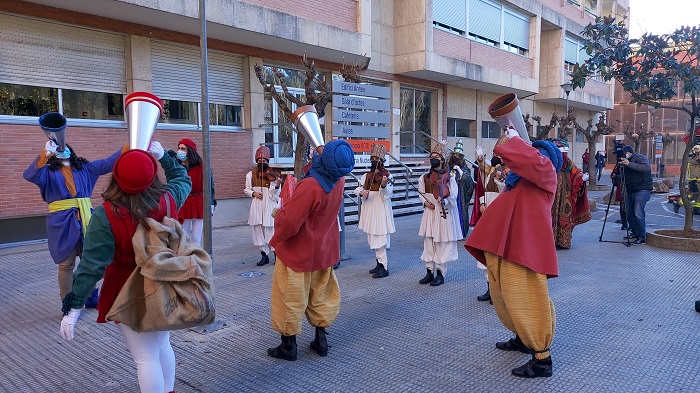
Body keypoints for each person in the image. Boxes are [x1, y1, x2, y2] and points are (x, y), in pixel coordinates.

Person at [59, 141, 192, 393]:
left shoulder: (105, 214)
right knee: (162, 345)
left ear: (116, 176)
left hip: (127, 290)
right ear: (152, 174)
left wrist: (74, 306)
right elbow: (181, 177)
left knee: (145, 358)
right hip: (165, 282)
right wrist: (164, 156)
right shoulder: (168, 198)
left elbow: (91, 265)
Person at [465, 127, 563, 378]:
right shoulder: (517, 182)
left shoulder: (546, 173)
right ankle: (522, 337)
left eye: (537, 155)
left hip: (525, 251)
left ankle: (542, 358)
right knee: (505, 297)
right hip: (503, 248)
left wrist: (518, 141)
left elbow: (529, 159)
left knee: (528, 298)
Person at [23, 112, 124, 307]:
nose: (63, 150)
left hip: (86, 219)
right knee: (66, 264)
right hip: (62, 222)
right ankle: (67, 301)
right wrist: (45, 154)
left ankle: (90, 295)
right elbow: (30, 175)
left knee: (90, 260)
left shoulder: (85, 168)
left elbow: (110, 162)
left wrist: (131, 145)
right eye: (58, 150)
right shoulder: (48, 173)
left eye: (65, 148)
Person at [266, 139, 354, 361]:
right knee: (321, 296)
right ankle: (321, 340)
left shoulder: (310, 186)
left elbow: (290, 223)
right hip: (324, 250)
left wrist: (279, 216)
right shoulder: (340, 180)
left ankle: (288, 346)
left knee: (290, 297)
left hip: (299, 252)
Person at [417, 142, 461, 287]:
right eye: (432, 156)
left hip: (443, 213)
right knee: (428, 243)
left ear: (442, 160)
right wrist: (425, 202)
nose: (433, 159)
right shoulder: (424, 177)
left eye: (436, 156)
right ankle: (429, 271)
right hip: (429, 213)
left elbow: (454, 197)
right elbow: (421, 193)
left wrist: (445, 200)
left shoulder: (450, 177)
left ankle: (441, 273)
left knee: (441, 243)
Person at [354, 144, 395, 279]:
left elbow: (387, 195)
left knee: (380, 240)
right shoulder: (366, 176)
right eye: (372, 158)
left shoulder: (388, 176)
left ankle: (384, 267)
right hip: (369, 211)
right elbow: (357, 189)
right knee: (372, 238)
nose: (374, 160)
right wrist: (362, 192)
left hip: (380, 211)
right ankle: (378, 264)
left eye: (377, 158)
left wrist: (383, 185)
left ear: (382, 161)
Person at [470, 148, 504, 301]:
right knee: (486, 253)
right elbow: (484, 191)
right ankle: (489, 289)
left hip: (499, 218)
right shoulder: (490, 173)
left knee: (496, 254)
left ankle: (498, 293)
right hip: (487, 216)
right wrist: (482, 203)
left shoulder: (506, 175)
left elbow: (506, 195)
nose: (495, 159)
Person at [172, 138, 215, 246]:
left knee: (196, 237)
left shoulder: (202, 165)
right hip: (183, 202)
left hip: (199, 202)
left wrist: (211, 202)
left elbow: (210, 185)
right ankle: (184, 258)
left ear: (190, 151)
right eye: (179, 148)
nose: (180, 151)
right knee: (183, 235)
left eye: (183, 148)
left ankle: (196, 259)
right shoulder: (177, 166)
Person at [550, 139, 591, 250]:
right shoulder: (549, 161)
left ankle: (563, 241)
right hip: (551, 194)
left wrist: (581, 177)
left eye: (565, 150)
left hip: (565, 194)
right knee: (551, 216)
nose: (564, 153)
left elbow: (576, 172)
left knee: (565, 215)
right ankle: (550, 241)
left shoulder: (567, 162)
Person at [244, 146, 281, 266]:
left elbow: (274, 196)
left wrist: (276, 186)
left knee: (271, 231)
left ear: (268, 161)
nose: (261, 163)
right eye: (259, 161)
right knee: (257, 230)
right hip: (256, 205)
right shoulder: (250, 175)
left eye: (264, 161)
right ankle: (264, 255)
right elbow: (246, 189)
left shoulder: (273, 174)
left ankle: (277, 256)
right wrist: (253, 193)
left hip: (269, 205)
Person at [620, 145, 653, 244]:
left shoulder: (640, 157)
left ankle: (642, 236)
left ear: (628, 152)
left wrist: (629, 164)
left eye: (623, 153)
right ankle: (635, 232)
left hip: (642, 190)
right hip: (630, 191)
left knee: (638, 214)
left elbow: (646, 168)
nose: (622, 156)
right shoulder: (625, 163)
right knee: (629, 214)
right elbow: (624, 177)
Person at [449, 139, 475, 240]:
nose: (455, 158)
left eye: (457, 157)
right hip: (450, 193)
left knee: (459, 211)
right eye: (454, 156)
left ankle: (460, 231)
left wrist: (460, 172)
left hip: (460, 194)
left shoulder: (465, 169)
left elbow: (469, 180)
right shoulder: (448, 168)